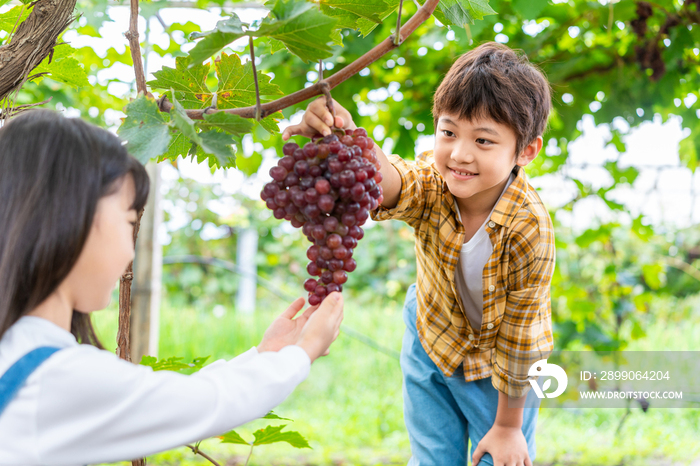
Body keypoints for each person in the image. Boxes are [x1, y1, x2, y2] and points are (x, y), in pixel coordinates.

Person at [0, 109, 344, 464]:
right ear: (72, 217)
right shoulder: (54, 379)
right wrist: (301, 354)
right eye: (129, 220)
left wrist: (265, 353)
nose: (130, 249)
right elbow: (207, 403)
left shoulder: (22, 354)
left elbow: (172, 397)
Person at [283, 42, 555, 466]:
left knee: (501, 457)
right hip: (432, 335)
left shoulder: (529, 228)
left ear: (525, 151)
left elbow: (522, 338)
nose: (460, 154)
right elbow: (394, 181)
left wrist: (506, 427)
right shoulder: (435, 184)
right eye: (448, 132)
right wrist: (347, 136)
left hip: (502, 366)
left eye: (484, 140)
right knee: (432, 458)